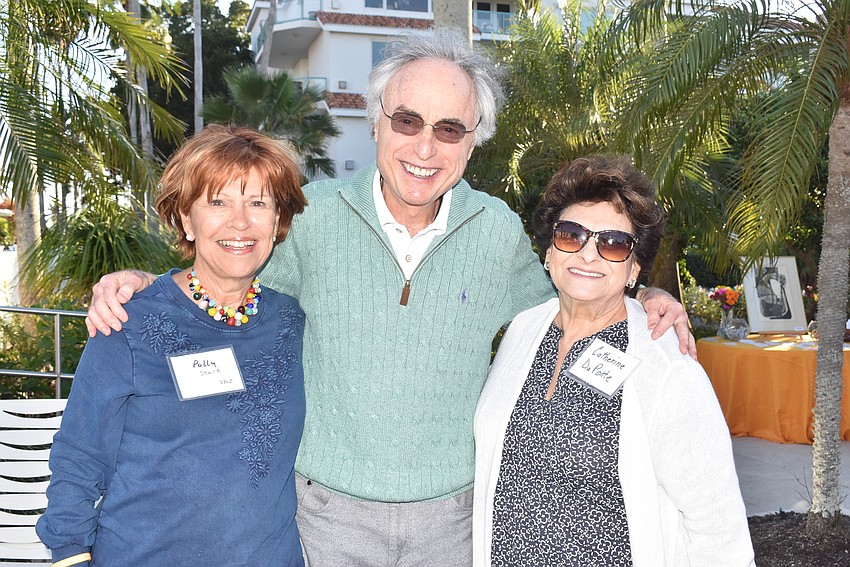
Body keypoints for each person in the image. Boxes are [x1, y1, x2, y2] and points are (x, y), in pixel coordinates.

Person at [84, 30, 695, 566]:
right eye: (407, 121)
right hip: (324, 519)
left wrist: (648, 298)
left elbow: (575, 300)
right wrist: (142, 284)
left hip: (453, 523)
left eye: (449, 128)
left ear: (473, 141)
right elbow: (221, 278)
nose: (425, 148)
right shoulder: (312, 218)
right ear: (375, 121)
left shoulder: (497, 230)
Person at [36, 125, 308, 567]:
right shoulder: (128, 321)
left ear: (277, 221)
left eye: (257, 203)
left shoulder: (293, 322)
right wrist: (69, 556)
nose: (239, 222)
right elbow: (78, 458)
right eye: (217, 202)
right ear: (186, 218)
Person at [473, 156, 754, 566]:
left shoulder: (666, 365)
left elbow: (717, 525)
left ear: (634, 267)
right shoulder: (524, 330)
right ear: (549, 252)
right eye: (571, 235)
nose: (588, 254)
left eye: (613, 244)